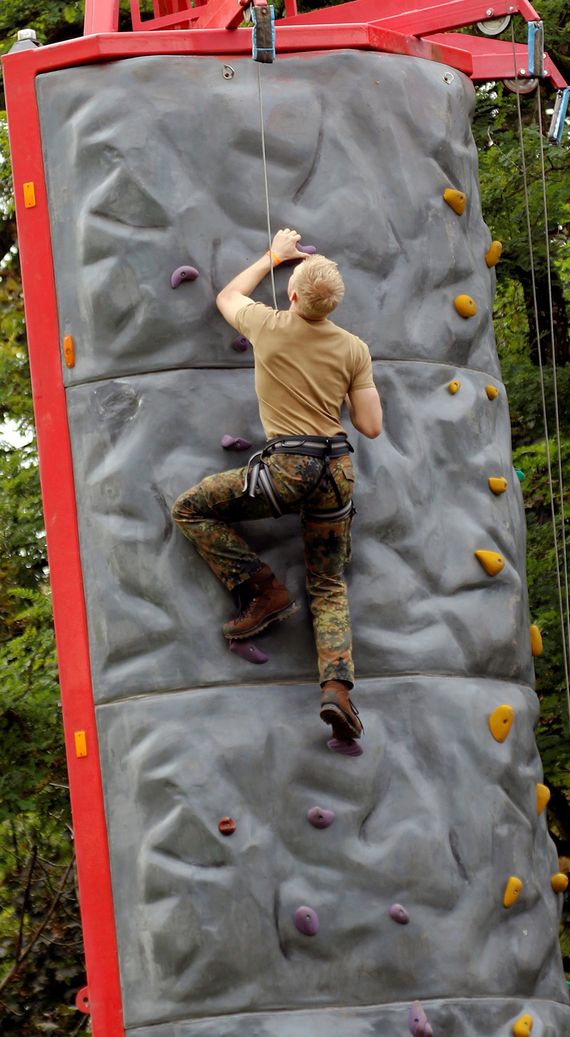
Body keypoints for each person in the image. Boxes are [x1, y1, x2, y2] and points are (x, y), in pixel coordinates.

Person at [171, 228, 382, 741]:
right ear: (333, 305)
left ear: (292, 295)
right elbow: (370, 426)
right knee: (328, 583)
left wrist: (273, 256)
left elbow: (226, 296)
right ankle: (336, 689)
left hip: (287, 468)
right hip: (336, 472)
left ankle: (263, 591)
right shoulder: (353, 348)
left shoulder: (267, 325)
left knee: (190, 508)